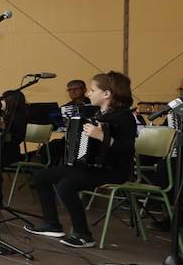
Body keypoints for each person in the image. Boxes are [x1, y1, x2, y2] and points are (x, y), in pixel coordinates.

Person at [25, 71, 138, 248]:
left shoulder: (124, 117)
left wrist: (102, 136)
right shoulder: (98, 114)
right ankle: (52, 225)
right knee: (41, 177)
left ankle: (83, 235)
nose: (88, 93)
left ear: (107, 94)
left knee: (66, 185)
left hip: (114, 171)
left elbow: (126, 151)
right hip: (91, 167)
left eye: (92, 90)